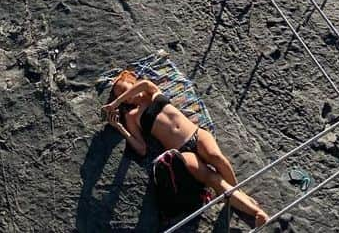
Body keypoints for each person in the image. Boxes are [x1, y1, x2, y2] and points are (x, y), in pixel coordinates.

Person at [103, 72, 269, 227]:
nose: (125, 98)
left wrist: (115, 102)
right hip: (182, 151)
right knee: (211, 178)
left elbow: (145, 83)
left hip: (195, 134)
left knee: (217, 158)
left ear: (132, 83)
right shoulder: (132, 117)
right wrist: (119, 127)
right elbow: (141, 149)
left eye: (124, 90)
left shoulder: (151, 91)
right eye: (120, 97)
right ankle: (255, 211)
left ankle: (237, 197)